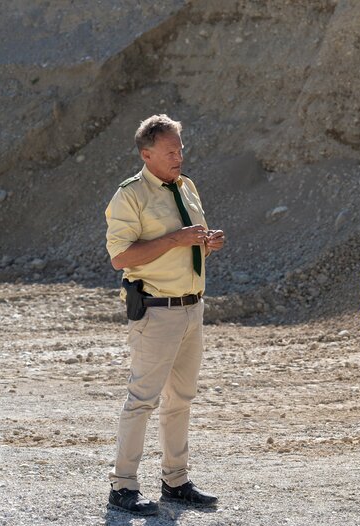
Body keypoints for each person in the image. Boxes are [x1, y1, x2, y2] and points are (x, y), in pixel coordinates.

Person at [104, 114, 225, 516]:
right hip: (156, 312)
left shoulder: (187, 187)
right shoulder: (130, 195)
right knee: (142, 400)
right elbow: (120, 257)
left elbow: (187, 248)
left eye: (180, 148)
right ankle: (123, 486)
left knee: (181, 400)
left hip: (192, 308)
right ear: (147, 154)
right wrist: (175, 239)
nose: (179, 156)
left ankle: (176, 481)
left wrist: (206, 245)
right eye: (171, 151)